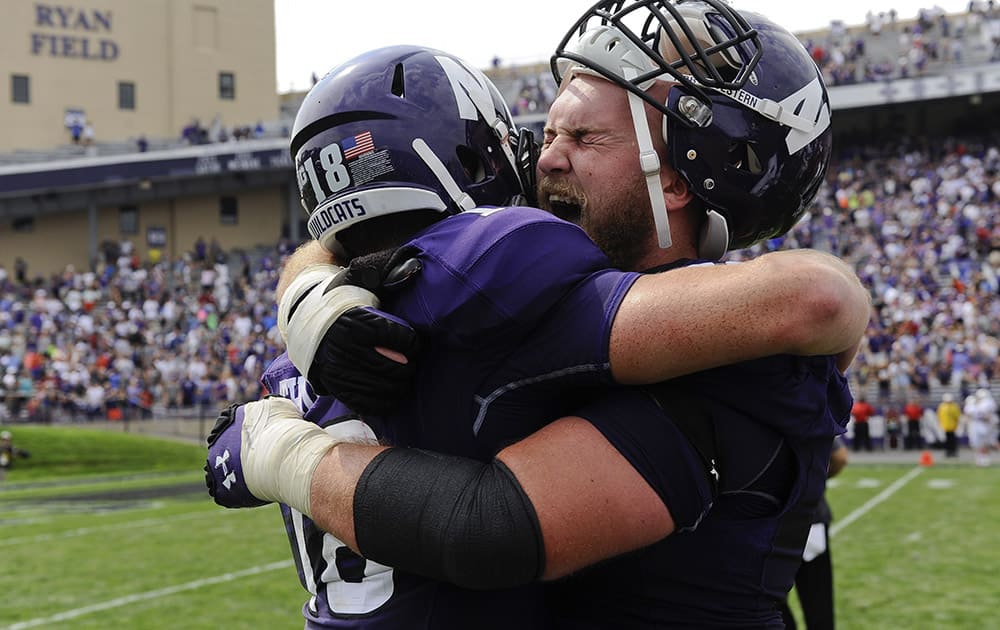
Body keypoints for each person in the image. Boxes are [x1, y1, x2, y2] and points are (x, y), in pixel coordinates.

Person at [207, 3, 867, 627]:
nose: (544, 157)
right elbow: (361, 238)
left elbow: (488, 528)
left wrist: (286, 454)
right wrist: (311, 288)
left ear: (672, 178)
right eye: (548, 133)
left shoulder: (736, 350)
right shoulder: (522, 302)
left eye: (582, 137)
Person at [779, 437, 849, 630]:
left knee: (769, 606)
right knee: (818, 606)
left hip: (767, 520)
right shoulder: (809, 409)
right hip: (809, 517)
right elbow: (840, 457)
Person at [965, 388, 998, 467]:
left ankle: (984, 459)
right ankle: (980, 460)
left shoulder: (988, 403)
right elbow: (970, 415)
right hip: (977, 425)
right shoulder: (973, 404)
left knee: (985, 443)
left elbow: (987, 415)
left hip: (984, 425)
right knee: (978, 444)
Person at [937, 393, 961, 458]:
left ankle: (953, 451)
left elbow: (957, 416)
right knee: (947, 440)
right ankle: (948, 452)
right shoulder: (942, 406)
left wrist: (957, 424)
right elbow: (939, 416)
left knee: (952, 440)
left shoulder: (954, 406)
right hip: (945, 426)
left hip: (953, 426)